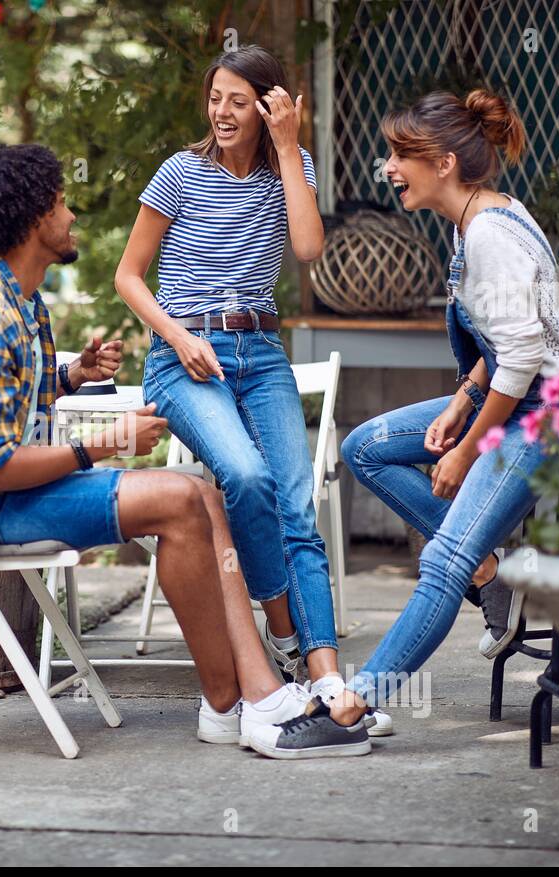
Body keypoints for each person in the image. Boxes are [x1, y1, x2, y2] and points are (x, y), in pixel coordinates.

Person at [0, 143, 369, 758]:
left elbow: (12, 392)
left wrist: (73, 375)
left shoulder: (15, 295)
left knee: (204, 494)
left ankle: (246, 699)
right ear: (30, 220)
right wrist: (108, 444)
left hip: (8, 493)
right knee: (179, 498)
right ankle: (242, 701)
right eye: (60, 203)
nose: (71, 215)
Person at [115, 44, 384, 756]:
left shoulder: (287, 171)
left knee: (294, 505)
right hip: (185, 359)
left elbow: (306, 248)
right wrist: (176, 337)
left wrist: (292, 147)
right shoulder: (181, 172)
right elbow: (129, 276)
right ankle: (286, 635)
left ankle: (323, 677)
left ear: (269, 105)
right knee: (247, 477)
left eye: (240, 101)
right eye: (216, 99)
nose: (223, 113)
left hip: (260, 355)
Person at [331, 90, 559, 729]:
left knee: (440, 561)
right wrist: (460, 403)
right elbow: (507, 341)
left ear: (446, 163)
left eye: (402, 155)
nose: (388, 168)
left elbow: (524, 357)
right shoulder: (480, 219)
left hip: (552, 408)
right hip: (515, 390)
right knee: (365, 447)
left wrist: (466, 447)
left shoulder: (489, 235)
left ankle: (353, 707)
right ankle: (491, 569)